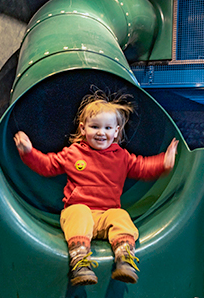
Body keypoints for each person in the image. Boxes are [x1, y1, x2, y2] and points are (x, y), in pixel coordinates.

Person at [14, 91, 178, 286]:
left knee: (121, 217)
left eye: (108, 127)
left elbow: (142, 167)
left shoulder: (121, 157)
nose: (101, 132)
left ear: (116, 131)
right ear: (83, 129)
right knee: (79, 212)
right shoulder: (74, 153)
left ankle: (124, 258)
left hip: (106, 214)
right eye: (95, 127)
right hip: (78, 212)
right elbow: (47, 165)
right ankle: (80, 261)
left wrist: (163, 163)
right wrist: (29, 152)